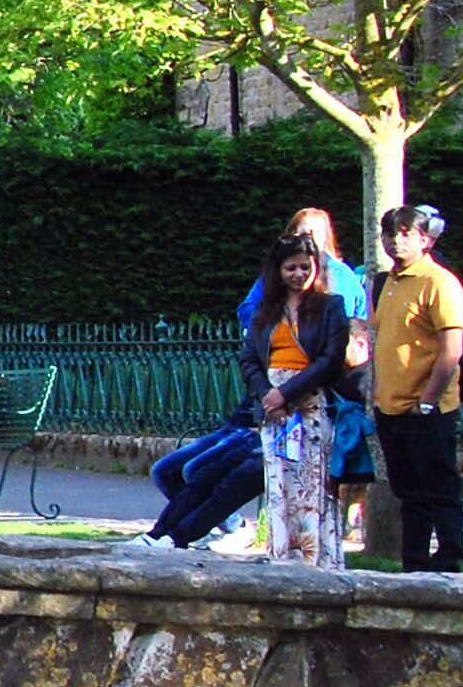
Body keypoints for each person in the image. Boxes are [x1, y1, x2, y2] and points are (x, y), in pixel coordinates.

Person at [245, 208, 374, 548]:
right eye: (291, 268)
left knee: (314, 483)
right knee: (280, 485)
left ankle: (315, 552)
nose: (299, 273)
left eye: (306, 267)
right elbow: (249, 358)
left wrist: (285, 392)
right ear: (279, 271)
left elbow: (330, 359)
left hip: (311, 404)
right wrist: (266, 395)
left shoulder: (330, 306)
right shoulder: (266, 310)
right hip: (274, 409)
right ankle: (283, 550)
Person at [373, 203, 463, 572]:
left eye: (406, 234)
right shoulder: (388, 283)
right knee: (408, 491)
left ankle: (449, 557)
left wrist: (427, 401)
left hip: (427, 408)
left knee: (439, 487)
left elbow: (451, 349)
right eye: (390, 234)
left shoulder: (439, 282)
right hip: (391, 407)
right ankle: (413, 560)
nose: (396, 242)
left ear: (425, 239)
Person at [139, 412, 266, 550]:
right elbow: (260, 393)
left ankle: (179, 537)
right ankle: (158, 534)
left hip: (269, 438)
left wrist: (281, 397)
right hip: (243, 427)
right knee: (168, 471)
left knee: (209, 476)